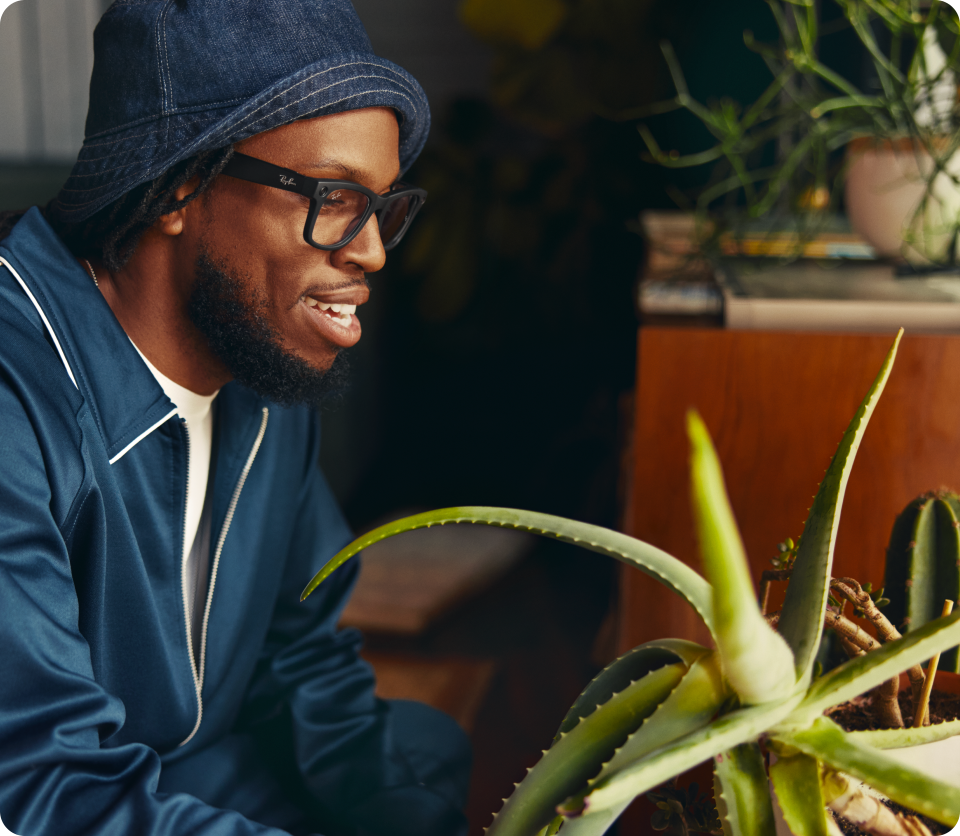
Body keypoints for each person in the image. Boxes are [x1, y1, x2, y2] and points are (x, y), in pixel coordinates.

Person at [0, 2, 470, 835]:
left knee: (419, 761)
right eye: (336, 198)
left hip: (185, 761)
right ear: (179, 185)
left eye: (384, 207)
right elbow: (39, 788)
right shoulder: (18, 392)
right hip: (53, 790)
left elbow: (302, 657)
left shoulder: (257, 360)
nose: (371, 251)